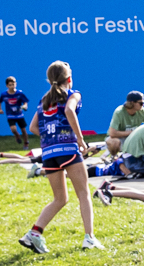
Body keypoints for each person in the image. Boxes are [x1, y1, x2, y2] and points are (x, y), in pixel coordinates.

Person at [18, 60, 102, 253]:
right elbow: (69, 110)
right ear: (69, 78)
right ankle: (89, 238)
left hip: (48, 153)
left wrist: (52, 138)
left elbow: (33, 127)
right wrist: (80, 140)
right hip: (68, 150)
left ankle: (34, 233)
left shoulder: (44, 100)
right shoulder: (74, 94)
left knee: (60, 199)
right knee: (83, 194)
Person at [0, 77, 30, 145]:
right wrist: (0, 109)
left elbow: (25, 102)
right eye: (10, 85)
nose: (12, 86)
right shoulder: (4, 94)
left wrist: (25, 106)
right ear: (7, 86)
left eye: (13, 84)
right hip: (10, 115)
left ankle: (26, 143)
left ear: (16, 84)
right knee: (13, 129)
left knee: (23, 130)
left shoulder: (19, 93)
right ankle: (17, 135)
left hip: (19, 115)